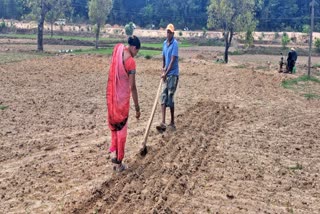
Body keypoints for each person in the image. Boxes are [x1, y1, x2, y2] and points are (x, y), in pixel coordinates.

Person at [106, 36, 141, 172]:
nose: (136, 54)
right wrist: (137, 108)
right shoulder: (130, 62)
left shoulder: (118, 51)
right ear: (133, 47)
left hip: (112, 98)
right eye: (137, 51)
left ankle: (116, 158)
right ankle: (119, 162)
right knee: (122, 130)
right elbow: (132, 87)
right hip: (121, 102)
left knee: (115, 127)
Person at [156, 23, 179, 132]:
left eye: (170, 32)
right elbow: (164, 58)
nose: (168, 34)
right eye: (167, 32)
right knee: (163, 97)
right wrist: (163, 69)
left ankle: (172, 122)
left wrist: (167, 72)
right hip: (166, 73)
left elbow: (173, 60)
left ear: (173, 33)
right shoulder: (164, 43)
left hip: (173, 74)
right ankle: (163, 122)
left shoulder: (175, 44)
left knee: (170, 97)